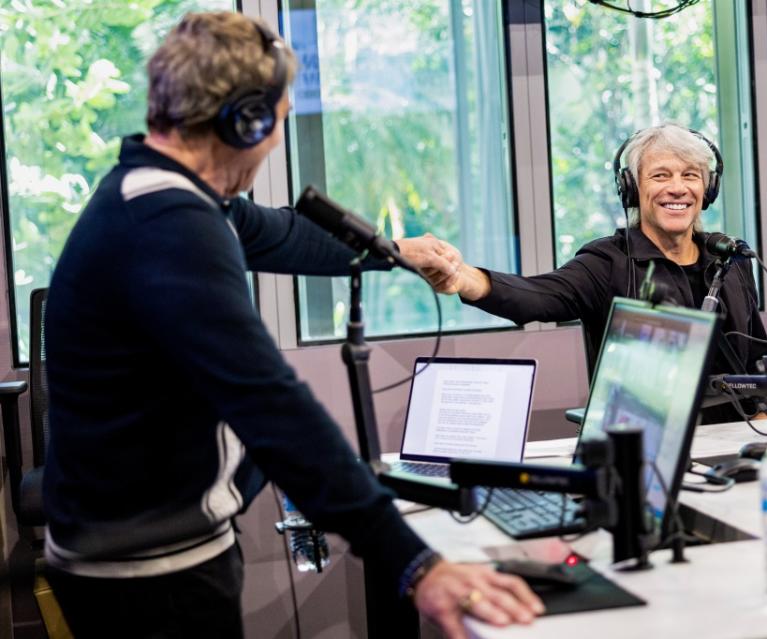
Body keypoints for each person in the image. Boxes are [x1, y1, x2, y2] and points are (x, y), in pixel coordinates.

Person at [42, 12, 541, 638]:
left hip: (147, 553)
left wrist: (391, 252)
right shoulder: (169, 229)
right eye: (278, 122)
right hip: (148, 578)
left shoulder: (170, 196)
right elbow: (272, 406)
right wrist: (415, 563)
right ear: (244, 121)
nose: (276, 140)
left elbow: (279, 233)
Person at [423, 124, 767, 423]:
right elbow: (536, 298)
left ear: (707, 190)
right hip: (642, 450)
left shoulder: (730, 260)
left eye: (690, 176)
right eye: (660, 175)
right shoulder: (606, 263)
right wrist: (464, 278)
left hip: (735, 443)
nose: (678, 188)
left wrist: (766, 410)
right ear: (633, 189)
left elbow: (759, 357)